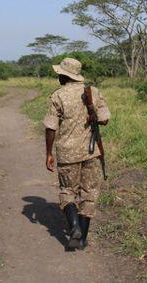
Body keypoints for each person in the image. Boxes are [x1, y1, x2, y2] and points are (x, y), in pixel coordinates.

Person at [43, 57, 110, 250]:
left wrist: (49, 152)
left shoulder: (58, 96)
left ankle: (74, 227)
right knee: (89, 194)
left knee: (68, 191)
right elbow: (105, 119)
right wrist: (92, 115)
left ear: (63, 76)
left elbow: (50, 127)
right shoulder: (94, 92)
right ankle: (82, 238)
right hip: (91, 152)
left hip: (67, 153)